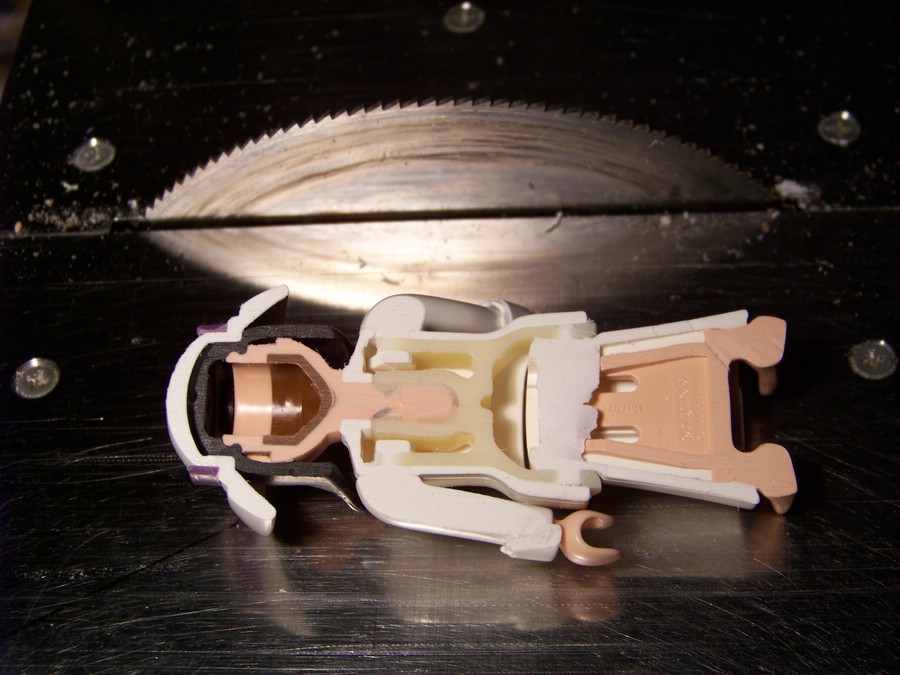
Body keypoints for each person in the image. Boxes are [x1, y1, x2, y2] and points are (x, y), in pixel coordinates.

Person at [168, 287, 796, 565]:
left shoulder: (391, 321)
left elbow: (495, 318)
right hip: (540, 456)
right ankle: (753, 467)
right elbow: (472, 515)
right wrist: (549, 534)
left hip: (543, 360)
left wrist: (525, 325)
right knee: (672, 455)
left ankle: (741, 351)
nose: (299, 401)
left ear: (285, 345)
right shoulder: (382, 485)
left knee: (662, 352)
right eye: (279, 421)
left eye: (281, 374)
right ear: (274, 461)